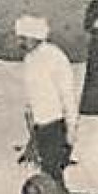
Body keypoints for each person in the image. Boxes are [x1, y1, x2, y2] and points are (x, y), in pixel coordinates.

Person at [15, 15, 78, 184]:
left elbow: (67, 94)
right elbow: (32, 92)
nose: (20, 43)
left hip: (55, 124)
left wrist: (71, 128)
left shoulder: (54, 57)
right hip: (38, 125)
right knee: (43, 172)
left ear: (35, 37)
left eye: (23, 38)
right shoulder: (30, 59)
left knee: (53, 173)